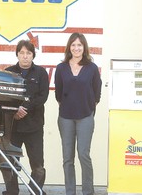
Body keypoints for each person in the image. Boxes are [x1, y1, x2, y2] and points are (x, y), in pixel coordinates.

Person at [0, 39, 49, 195]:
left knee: (38, 165)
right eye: (22, 53)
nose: (25, 56)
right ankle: (12, 191)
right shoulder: (8, 72)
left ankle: (35, 191)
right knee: (10, 163)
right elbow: (2, 96)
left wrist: (25, 107)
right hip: (13, 126)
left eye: (28, 53)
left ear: (33, 55)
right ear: (17, 54)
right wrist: (15, 110)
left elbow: (43, 96)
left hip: (34, 126)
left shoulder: (41, 73)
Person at [54, 33, 102, 195]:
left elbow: (97, 93)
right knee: (68, 159)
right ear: (69, 47)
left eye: (79, 45)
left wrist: (87, 107)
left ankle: (88, 191)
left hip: (85, 117)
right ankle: (70, 192)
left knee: (83, 154)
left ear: (84, 47)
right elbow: (58, 94)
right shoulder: (61, 68)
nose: (76, 48)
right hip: (65, 118)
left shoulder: (92, 68)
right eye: (73, 45)